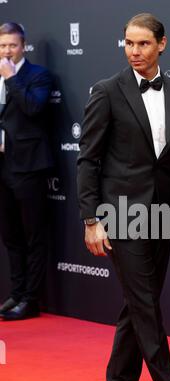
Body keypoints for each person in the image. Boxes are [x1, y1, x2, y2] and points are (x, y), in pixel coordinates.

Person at [77, 13, 170, 381]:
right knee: (147, 306)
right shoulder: (108, 92)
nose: (134, 51)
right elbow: (88, 159)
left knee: (138, 304)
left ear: (162, 45)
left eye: (143, 44)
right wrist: (92, 217)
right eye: (128, 43)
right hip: (121, 214)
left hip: (163, 214)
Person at [0, 23, 53, 321]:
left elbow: (33, 109)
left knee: (33, 235)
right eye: (2, 46)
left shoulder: (38, 76)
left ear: (24, 47)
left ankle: (31, 300)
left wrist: (11, 79)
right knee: (10, 235)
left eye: (12, 46)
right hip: (3, 167)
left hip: (29, 166)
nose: (7, 51)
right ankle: (16, 293)